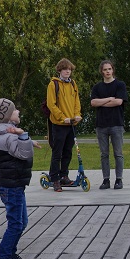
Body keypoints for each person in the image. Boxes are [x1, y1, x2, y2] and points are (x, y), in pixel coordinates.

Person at [0, 98, 40, 259]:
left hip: (13, 185)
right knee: (16, 223)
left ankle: (10, 254)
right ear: (6, 116)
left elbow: (20, 147)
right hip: (12, 186)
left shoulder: (4, 133)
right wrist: (23, 136)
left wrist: (27, 140)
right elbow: (23, 153)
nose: (18, 112)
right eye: (14, 110)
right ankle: (4, 258)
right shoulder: (8, 136)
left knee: (21, 221)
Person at [90, 60, 128, 189]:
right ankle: (106, 179)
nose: (107, 71)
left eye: (109, 69)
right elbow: (93, 103)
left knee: (118, 153)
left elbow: (118, 102)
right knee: (104, 154)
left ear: (113, 70)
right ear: (101, 71)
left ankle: (119, 179)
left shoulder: (120, 85)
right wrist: (109, 99)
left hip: (116, 123)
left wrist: (103, 102)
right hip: (101, 125)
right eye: (105, 69)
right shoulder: (97, 87)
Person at [46, 58, 82, 192]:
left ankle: (64, 175)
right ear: (59, 70)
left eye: (69, 69)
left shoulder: (73, 84)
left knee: (68, 151)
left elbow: (76, 101)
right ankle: (54, 178)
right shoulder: (53, 84)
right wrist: (63, 118)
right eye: (65, 69)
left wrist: (77, 115)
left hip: (71, 124)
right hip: (59, 124)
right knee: (57, 152)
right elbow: (51, 104)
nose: (68, 71)